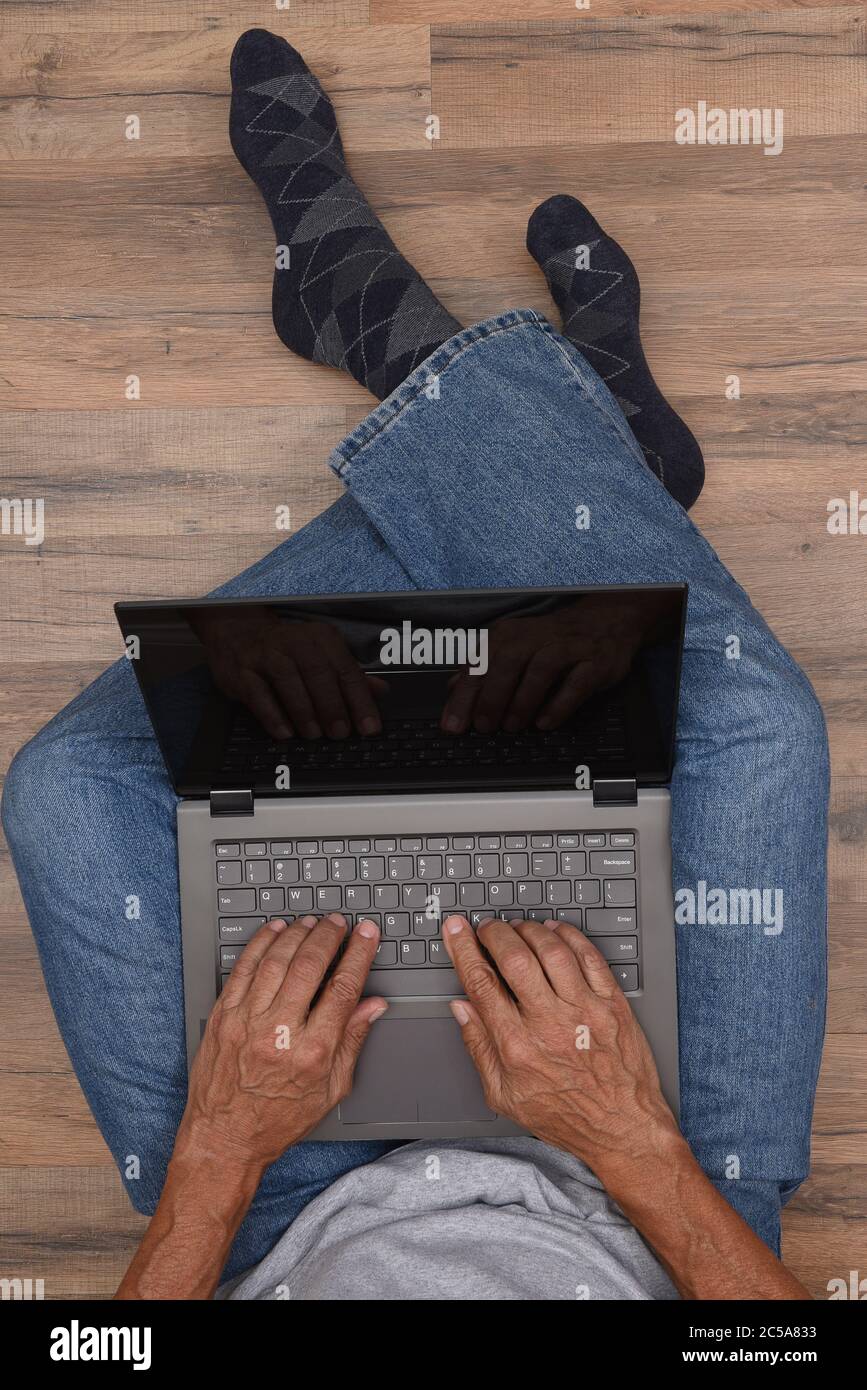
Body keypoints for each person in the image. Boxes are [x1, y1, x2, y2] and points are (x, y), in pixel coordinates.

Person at [1, 31, 828, 1301]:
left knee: (62, 786)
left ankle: (563, 440)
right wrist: (629, 1139)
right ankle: (568, 439)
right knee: (757, 719)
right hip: (658, 1208)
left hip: (283, 1203)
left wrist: (223, 1145)